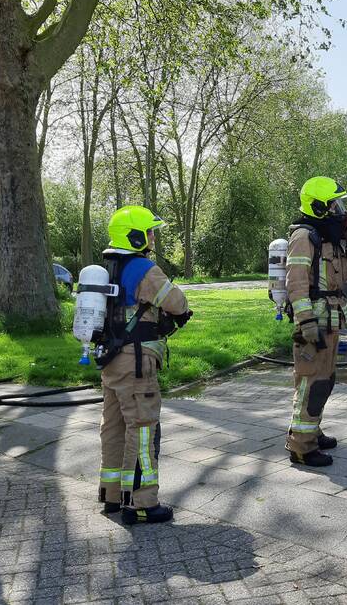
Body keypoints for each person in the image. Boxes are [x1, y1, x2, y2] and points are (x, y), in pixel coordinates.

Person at [96, 205, 192, 525]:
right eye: (149, 232)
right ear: (135, 236)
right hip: (135, 362)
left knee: (113, 429)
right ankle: (141, 503)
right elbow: (176, 302)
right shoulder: (143, 268)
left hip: (110, 361)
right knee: (142, 428)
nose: (152, 237)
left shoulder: (108, 267)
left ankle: (111, 496)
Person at [285, 176, 347, 466]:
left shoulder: (329, 237)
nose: (339, 210)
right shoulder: (304, 236)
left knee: (325, 380)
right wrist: (306, 324)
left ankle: (312, 431)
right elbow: (296, 284)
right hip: (314, 322)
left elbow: (346, 274)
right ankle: (301, 447)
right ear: (318, 207)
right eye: (333, 204)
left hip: (330, 319)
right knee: (311, 383)